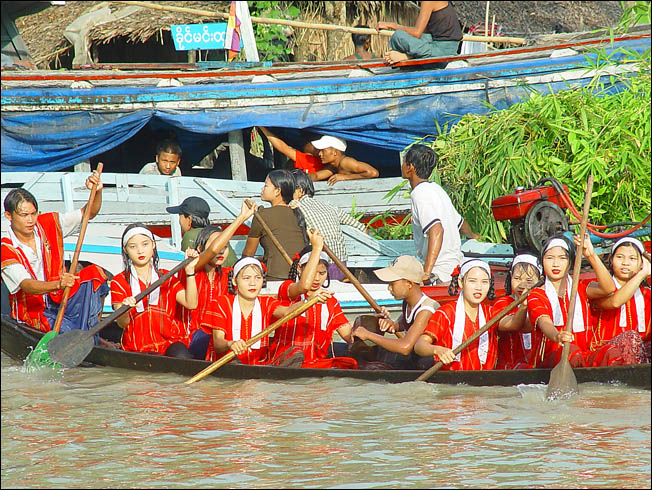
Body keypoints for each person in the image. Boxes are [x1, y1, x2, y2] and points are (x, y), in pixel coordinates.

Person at [1, 171, 109, 336]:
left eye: (33, 213)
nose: (30, 220)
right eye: (24, 215)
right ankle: (87, 337)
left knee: (95, 276)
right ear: (9, 215)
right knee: (69, 333)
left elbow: (88, 213)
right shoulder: (5, 248)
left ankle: (95, 335)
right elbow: (26, 284)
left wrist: (98, 191)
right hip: (34, 313)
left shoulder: (49, 223)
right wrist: (58, 284)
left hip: (59, 298)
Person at [204, 256, 331, 366]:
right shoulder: (221, 303)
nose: (252, 283)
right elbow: (218, 343)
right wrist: (231, 344)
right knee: (234, 362)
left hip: (258, 364)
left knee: (295, 353)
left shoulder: (266, 303)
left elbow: (287, 312)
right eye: (246, 278)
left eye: (257, 278)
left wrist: (309, 300)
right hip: (227, 363)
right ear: (234, 281)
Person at [177, 200, 257, 359]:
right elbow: (213, 250)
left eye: (226, 247)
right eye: (218, 245)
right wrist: (241, 218)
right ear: (200, 249)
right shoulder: (192, 269)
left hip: (225, 335)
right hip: (195, 336)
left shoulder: (230, 274)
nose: (221, 251)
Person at [270, 232, 357, 369]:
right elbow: (304, 285)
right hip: (286, 361)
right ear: (300, 269)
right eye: (313, 272)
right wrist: (317, 248)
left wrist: (372, 329)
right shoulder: (288, 290)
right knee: (296, 354)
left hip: (315, 364)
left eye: (322, 273)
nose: (316, 279)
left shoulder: (330, 302)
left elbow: (349, 336)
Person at [111, 224, 199, 358]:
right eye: (133, 246)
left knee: (181, 356)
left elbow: (191, 304)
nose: (140, 251)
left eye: (145, 244)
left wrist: (190, 271)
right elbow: (123, 323)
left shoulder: (167, 277)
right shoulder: (119, 281)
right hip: (137, 347)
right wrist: (125, 309)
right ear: (125, 250)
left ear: (153, 245)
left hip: (169, 342)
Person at [526, 234, 614, 369]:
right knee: (571, 352)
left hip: (584, 356)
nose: (556, 264)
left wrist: (591, 255)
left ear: (570, 262)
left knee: (612, 352)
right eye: (550, 258)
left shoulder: (580, 288)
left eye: (562, 258)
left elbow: (608, 288)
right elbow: (544, 322)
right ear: (542, 262)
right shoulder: (536, 295)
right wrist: (557, 336)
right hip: (552, 359)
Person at [402, 144, 479, 284]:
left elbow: (436, 230)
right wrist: (473, 236)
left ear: (410, 167)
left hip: (441, 272)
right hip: (455, 267)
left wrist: (426, 273)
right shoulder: (436, 189)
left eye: (404, 162)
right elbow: (460, 224)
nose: (402, 166)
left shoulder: (419, 194)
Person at [351, 255, 439, 370]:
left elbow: (405, 347)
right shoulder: (407, 302)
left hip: (427, 362)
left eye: (392, 284)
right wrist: (390, 324)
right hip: (413, 356)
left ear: (409, 284)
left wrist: (368, 335)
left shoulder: (426, 310)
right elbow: (402, 324)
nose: (389, 288)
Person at [414, 259, 496, 370]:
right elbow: (419, 346)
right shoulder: (446, 313)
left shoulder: (492, 313)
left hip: (485, 382)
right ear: (461, 282)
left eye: (484, 282)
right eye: (472, 281)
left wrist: (524, 305)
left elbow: (514, 323)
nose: (479, 287)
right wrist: (438, 350)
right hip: (451, 382)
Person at [289, 169, 367, 281]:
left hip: (319, 269)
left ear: (300, 191)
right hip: (341, 267)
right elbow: (362, 228)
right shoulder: (329, 206)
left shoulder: (295, 207)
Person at [585, 237, 651, 366]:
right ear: (611, 260)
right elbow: (615, 302)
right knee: (630, 339)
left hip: (641, 356)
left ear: (642, 264)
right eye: (620, 257)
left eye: (632, 259)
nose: (625, 263)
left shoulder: (647, 295)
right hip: (605, 353)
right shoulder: (599, 289)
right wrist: (642, 274)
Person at [242, 170, 307, 281]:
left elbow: (248, 254)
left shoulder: (262, 215)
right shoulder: (297, 213)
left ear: (277, 191)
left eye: (266, 186)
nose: (262, 189)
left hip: (276, 276)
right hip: (300, 275)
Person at [493, 254, 541, 369]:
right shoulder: (503, 303)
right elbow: (515, 325)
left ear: (540, 280)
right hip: (509, 368)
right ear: (510, 276)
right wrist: (524, 305)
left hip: (537, 366)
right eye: (517, 279)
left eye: (529, 280)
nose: (522, 284)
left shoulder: (542, 301)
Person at [377, 1, 462, 65]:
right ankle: (410, 55)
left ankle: (408, 57)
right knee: (406, 38)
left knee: (398, 36)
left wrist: (391, 25)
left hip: (445, 51)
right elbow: (422, 34)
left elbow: (416, 33)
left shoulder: (428, 2)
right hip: (436, 43)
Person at [166, 196, 237, 267]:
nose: (180, 222)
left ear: (189, 219)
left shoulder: (190, 235)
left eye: (180, 216)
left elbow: (187, 266)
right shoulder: (216, 233)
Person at [309, 135, 379, 185]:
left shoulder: (346, 162)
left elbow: (373, 173)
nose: (320, 154)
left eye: (323, 151)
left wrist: (345, 177)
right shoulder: (333, 166)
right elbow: (316, 176)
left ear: (335, 152)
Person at [257, 126, 325, 176]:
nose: (319, 152)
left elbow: (283, 148)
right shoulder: (319, 161)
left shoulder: (311, 161)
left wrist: (261, 126)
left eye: (308, 143)